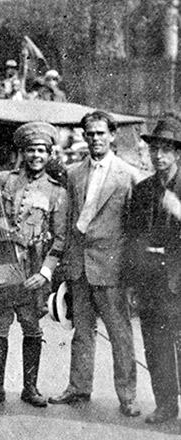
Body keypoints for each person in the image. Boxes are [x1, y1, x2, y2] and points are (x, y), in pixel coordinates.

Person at [48, 111, 141, 417]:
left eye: (101, 133)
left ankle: (127, 396)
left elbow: (133, 228)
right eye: (90, 134)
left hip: (111, 268)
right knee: (82, 331)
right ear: (84, 137)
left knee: (120, 335)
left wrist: (129, 271)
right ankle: (78, 387)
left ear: (112, 135)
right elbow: (71, 217)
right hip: (80, 266)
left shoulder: (129, 175)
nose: (95, 139)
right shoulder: (74, 173)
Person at [0, 123, 67, 408]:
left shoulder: (56, 192)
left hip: (34, 269)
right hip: (4, 267)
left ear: (49, 154)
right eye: (30, 150)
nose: (36, 156)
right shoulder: (4, 180)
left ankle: (30, 387)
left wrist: (45, 272)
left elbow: (61, 239)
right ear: (22, 152)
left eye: (41, 150)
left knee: (31, 327)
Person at [125, 117, 181, 424]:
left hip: (179, 280)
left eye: (167, 149)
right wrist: (133, 282)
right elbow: (133, 237)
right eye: (155, 149)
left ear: (178, 153)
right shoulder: (144, 189)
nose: (159, 155)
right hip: (150, 280)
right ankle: (165, 405)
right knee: (156, 345)